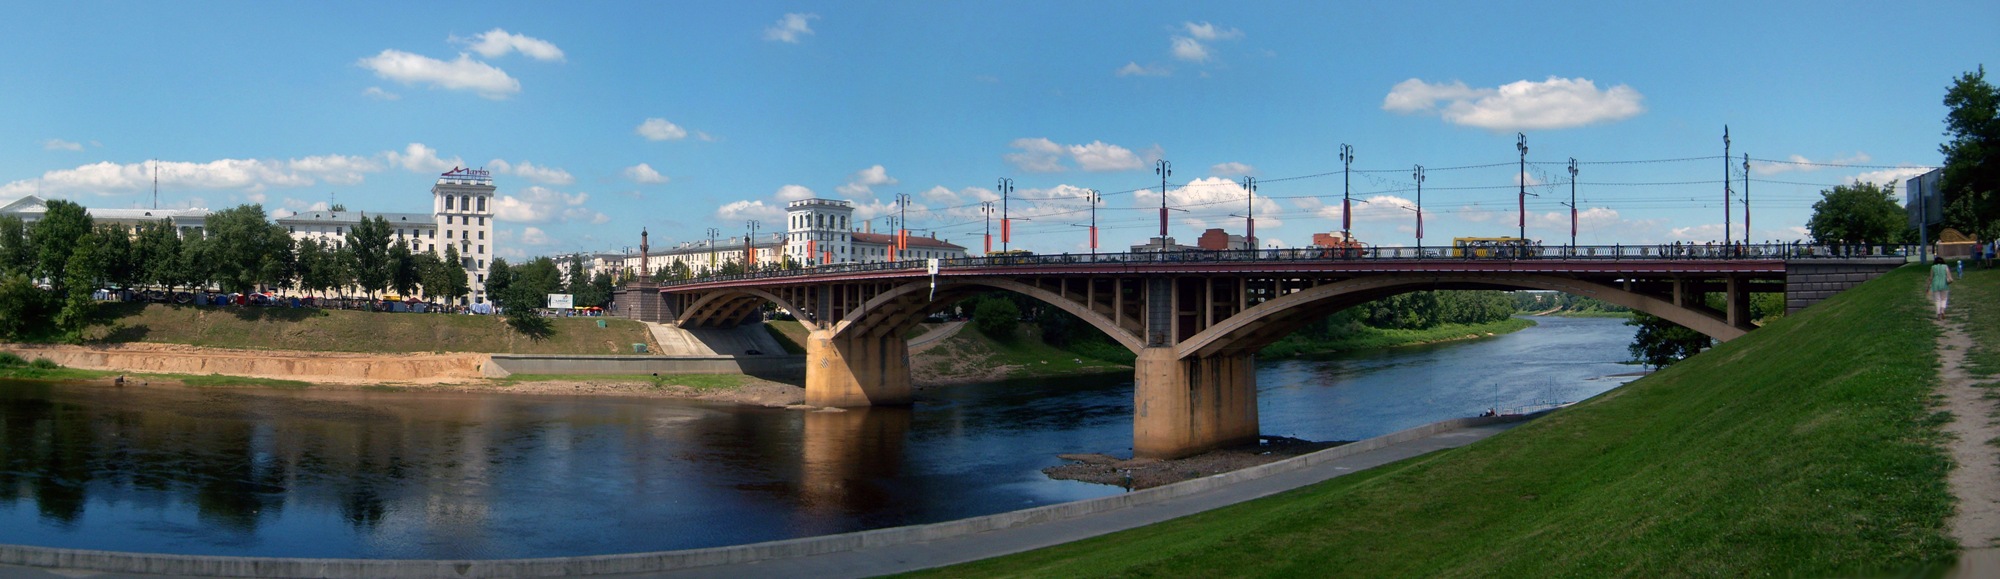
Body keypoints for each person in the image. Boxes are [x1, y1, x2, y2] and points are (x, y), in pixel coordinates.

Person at [1932, 256, 1955, 321]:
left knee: (1937, 300)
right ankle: (1942, 310)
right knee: (1944, 299)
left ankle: (1938, 314)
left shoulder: (1933, 267)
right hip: (1944, 284)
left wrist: (1928, 286)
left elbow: (1931, 277)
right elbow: (1949, 276)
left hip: (1935, 285)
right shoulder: (1945, 267)